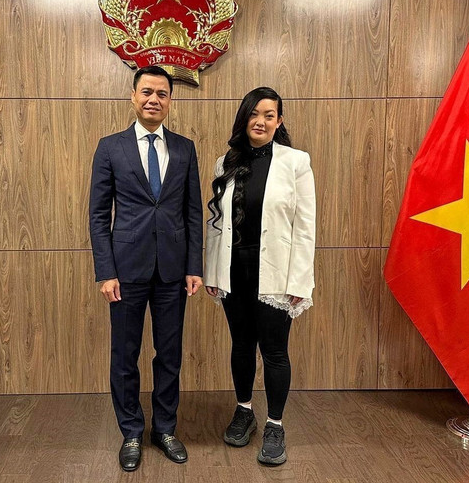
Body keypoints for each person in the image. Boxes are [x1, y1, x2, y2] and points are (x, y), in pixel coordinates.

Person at [89, 65, 203, 472]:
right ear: (133, 97)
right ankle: (132, 432)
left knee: (169, 354)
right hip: (125, 270)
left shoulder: (186, 148)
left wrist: (194, 266)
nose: (154, 99)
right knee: (125, 355)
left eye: (162, 93)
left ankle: (165, 429)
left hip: (173, 270)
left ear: (170, 101)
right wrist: (106, 272)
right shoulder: (110, 147)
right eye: (147, 91)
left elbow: (192, 213)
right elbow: (99, 216)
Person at [204, 86, 316, 466]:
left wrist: (300, 282)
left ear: (279, 121)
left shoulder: (296, 162)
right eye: (255, 113)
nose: (261, 121)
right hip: (233, 270)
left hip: (276, 274)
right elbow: (215, 226)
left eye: (270, 115)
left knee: (274, 350)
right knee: (240, 345)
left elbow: (305, 227)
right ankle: (244, 410)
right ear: (244, 117)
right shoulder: (226, 162)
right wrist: (212, 272)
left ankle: (275, 424)